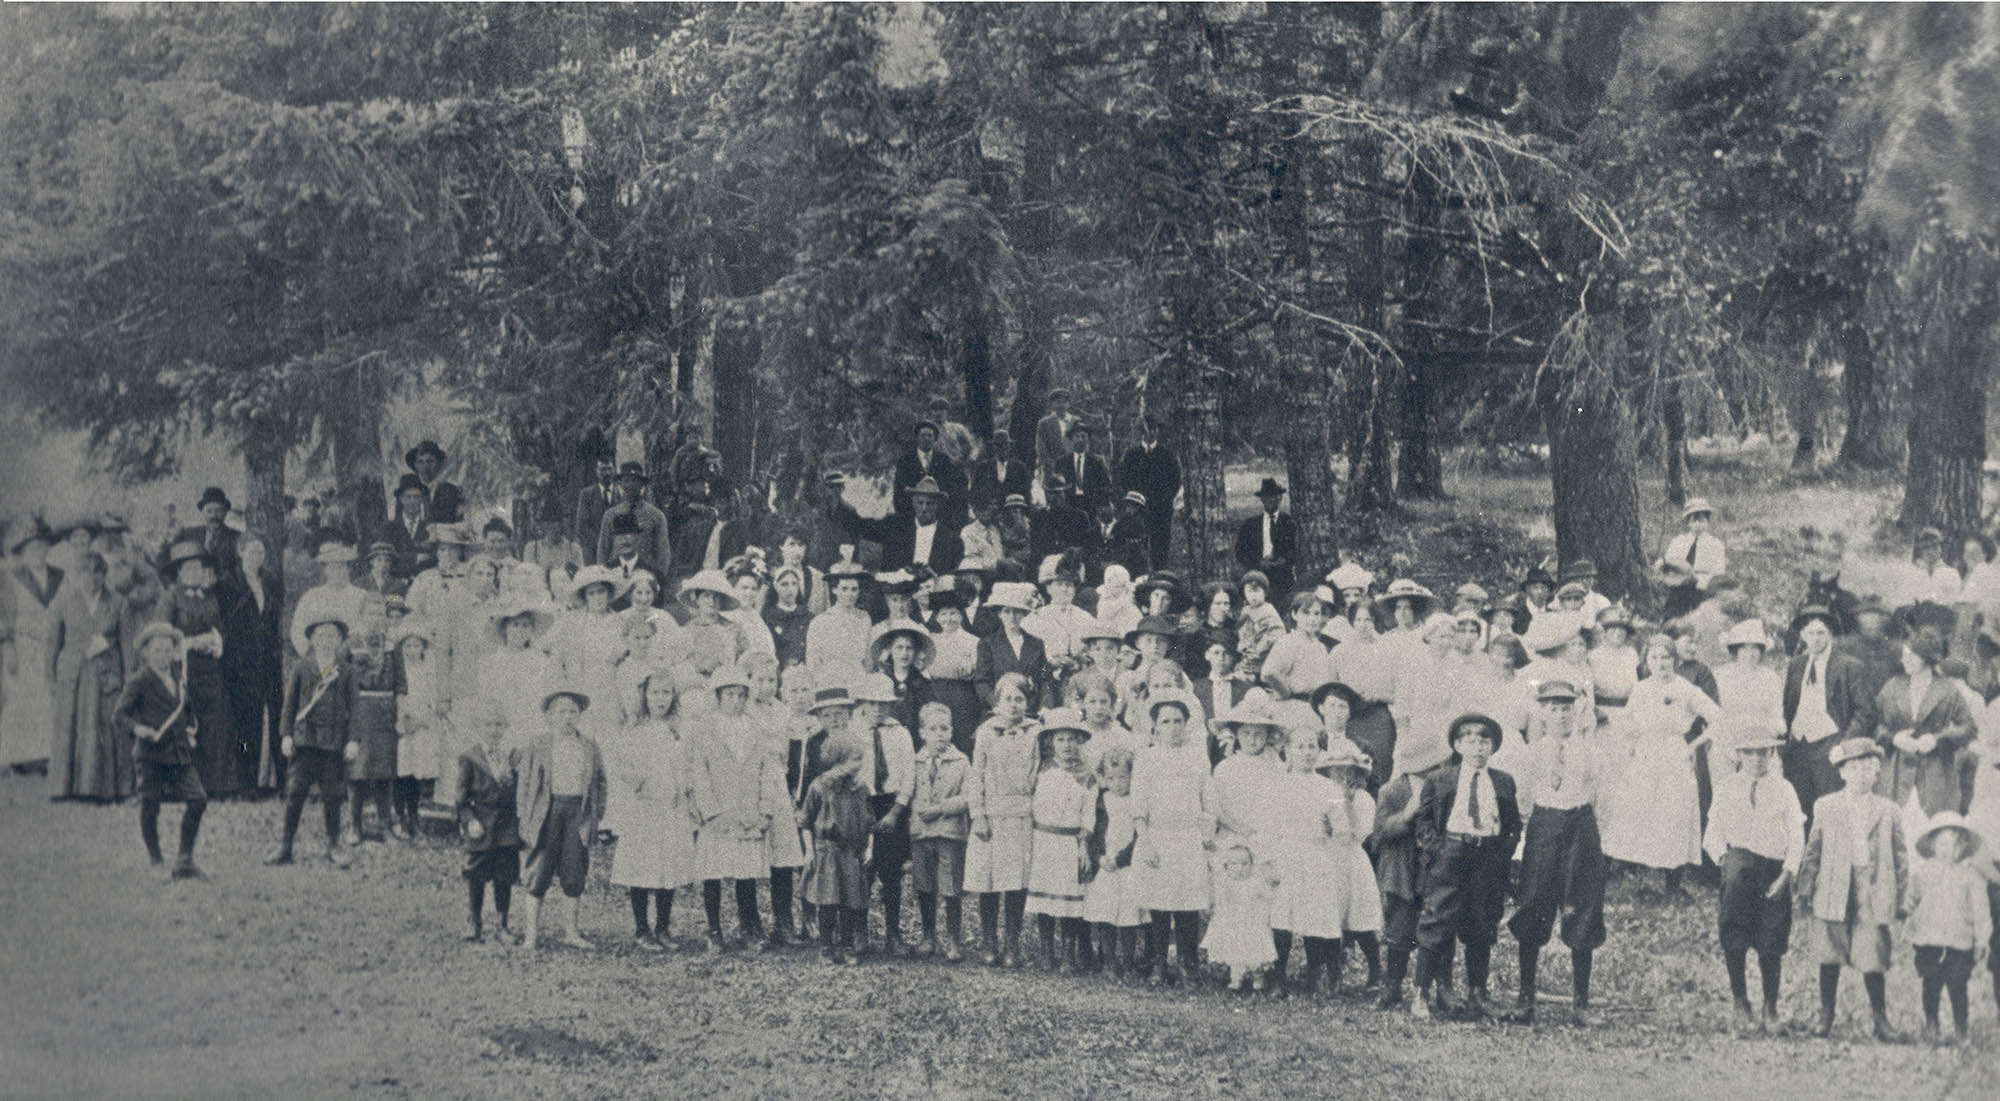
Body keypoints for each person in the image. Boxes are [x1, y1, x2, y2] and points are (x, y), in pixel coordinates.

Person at [1503, 680, 1608, 1027]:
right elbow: (1521, 802)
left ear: (1576, 712)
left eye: (1566, 708)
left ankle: (1581, 1003)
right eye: (1553, 708)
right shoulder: (1531, 753)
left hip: (1580, 826)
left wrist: (1594, 838)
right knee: (1533, 904)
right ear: (1542, 713)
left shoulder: (1591, 752)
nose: (1561, 715)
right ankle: (1525, 998)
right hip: (1544, 825)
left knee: (1583, 907)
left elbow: (1601, 799)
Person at [1795, 737, 1909, 1042]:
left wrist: (1901, 898)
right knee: (1829, 951)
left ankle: (1880, 1019)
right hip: (1834, 885)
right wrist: (1805, 888)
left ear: (1877, 773)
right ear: (1842, 772)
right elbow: (1813, 849)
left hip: (1872, 888)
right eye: (1854, 768)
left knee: (1873, 951)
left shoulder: (1889, 810)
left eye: (1869, 768)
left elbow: (1900, 858)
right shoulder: (1826, 806)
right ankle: (1826, 1013)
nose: (1862, 774)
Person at [1411, 713, 1522, 1021]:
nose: (1477, 747)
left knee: (1482, 925)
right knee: (1436, 922)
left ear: (1493, 747)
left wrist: (1501, 854)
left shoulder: (1502, 782)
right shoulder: (1440, 779)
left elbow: (1513, 826)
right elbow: (1423, 821)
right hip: (1451, 854)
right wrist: (1438, 850)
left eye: (1484, 740)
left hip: (1487, 858)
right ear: (1458, 745)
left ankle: (1477, 994)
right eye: (1470, 740)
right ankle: (1420, 993)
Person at [1599, 634, 1720, 895]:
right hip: (1645, 755)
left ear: (1675, 661)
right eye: (1654, 657)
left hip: (1674, 756)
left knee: (1673, 815)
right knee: (1633, 811)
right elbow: (1629, 722)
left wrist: (1692, 745)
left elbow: (1718, 718)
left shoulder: (1685, 689)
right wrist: (1631, 745)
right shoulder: (1641, 689)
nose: (1661, 662)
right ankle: (1611, 876)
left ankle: (1672, 885)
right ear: (1647, 661)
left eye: (1666, 657)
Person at [1701, 732, 1804, 1033]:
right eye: (1750, 753)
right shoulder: (1727, 788)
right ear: (1740, 755)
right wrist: (1725, 861)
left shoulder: (1784, 789)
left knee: (1772, 936)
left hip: (1773, 866)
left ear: (1771, 754)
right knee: (1734, 931)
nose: (1757, 759)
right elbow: (1712, 834)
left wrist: (1787, 873)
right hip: (1739, 867)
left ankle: (1770, 1008)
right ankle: (1739, 1001)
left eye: (1763, 753)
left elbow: (1797, 835)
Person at [690, 664, 786, 952]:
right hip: (719, 814)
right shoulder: (706, 731)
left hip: (748, 813)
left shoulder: (755, 729)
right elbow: (699, 775)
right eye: (729, 695)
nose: (736, 701)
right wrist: (711, 812)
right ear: (718, 696)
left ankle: (749, 927)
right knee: (714, 874)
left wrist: (765, 809)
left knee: (745, 875)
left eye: (741, 695)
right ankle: (714, 929)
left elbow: (767, 771)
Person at [608, 668, 695, 951]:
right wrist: (638, 782)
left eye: (666, 693)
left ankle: (663, 927)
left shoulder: (681, 728)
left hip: (671, 806)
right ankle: (642, 928)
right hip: (644, 807)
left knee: (667, 866)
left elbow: (687, 765)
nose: (661, 699)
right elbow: (620, 765)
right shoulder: (634, 729)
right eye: (655, 692)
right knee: (642, 866)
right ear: (645, 695)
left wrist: (683, 788)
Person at [515, 687, 608, 952]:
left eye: (572, 712)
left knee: (574, 870)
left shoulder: (588, 745)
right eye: (561, 712)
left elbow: (601, 782)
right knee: (539, 870)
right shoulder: (539, 744)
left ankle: (571, 931)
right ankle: (531, 934)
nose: (567, 717)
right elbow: (524, 782)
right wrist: (524, 816)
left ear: (579, 715)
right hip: (547, 811)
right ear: (549, 716)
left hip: (576, 812)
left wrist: (594, 815)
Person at [1132, 697, 1214, 986]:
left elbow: (1208, 802)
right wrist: (1147, 842)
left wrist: (1206, 837)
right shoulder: (1146, 758)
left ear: (1186, 725)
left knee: (1187, 905)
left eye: (1178, 721)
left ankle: (1188, 964)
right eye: (1165, 722)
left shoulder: (1197, 757)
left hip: (1189, 838)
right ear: (1155, 728)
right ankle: (1157, 963)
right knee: (1159, 904)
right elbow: (1138, 807)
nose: (1173, 727)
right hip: (1157, 837)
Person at [116, 623, 209, 878]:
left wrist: (190, 728)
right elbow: (120, 715)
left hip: (178, 752)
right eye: (157, 651)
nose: (163, 656)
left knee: (198, 799)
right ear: (146, 653)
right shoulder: (139, 681)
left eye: (168, 650)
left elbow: (187, 709)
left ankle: (184, 859)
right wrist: (138, 729)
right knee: (150, 806)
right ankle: (156, 860)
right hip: (150, 754)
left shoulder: (180, 677)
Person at [269, 613, 358, 868]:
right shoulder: (301, 667)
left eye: (332, 636)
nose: (326, 640)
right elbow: (289, 704)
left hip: (332, 743)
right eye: (321, 635)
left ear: (340, 640)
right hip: (304, 741)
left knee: (332, 795)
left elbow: (356, 708)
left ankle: (333, 845)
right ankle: (285, 847)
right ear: (312, 639)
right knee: (295, 792)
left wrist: (353, 740)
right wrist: (286, 735)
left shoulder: (346, 671)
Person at [966, 672, 1042, 967]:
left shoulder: (1036, 731)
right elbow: (976, 777)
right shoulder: (986, 731)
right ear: (997, 702)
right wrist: (978, 815)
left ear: (1027, 703)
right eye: (1008, 699)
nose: (1013, 705)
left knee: (1016, 882)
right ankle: (989, 941)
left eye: (1019, 699)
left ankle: (1012, 943)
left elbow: (1038, 773)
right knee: (989, 881)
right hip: (992, 816)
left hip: (1022, 814)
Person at [1784, 606, 1876, 826]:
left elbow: (1866, 712)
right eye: (1809, 633)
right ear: (1802, 636)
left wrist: (1843, 745)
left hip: (1830, 746)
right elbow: (1788, 706)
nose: (1815, 639)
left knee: (1831, 811)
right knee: (1799, 811)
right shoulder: (1796, 666)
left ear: (1830, 634)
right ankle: (1804, 858)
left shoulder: (1849, 666)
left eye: (1821, 633)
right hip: (1798, 747)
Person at [50, 551, 129, 801]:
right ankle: (68, 788)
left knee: (108, 726)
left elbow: (126, 645)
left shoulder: (118, 602)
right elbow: (53, 642)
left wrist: (127, 677)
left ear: (104, 575)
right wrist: (50, 677)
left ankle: (109, 789)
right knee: (71, 728)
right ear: (76, 574)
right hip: (74, 675)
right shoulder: (64, 600)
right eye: (84, 571)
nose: (91, 578)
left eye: (97, 571)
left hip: (106, 674)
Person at [1906, 812, 1990, 1046]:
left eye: (1954, 844)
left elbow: (1981, 911)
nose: (1948, 849)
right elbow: (1911, 898)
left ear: (1962, 847)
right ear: (1933, 845)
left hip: (1959, 942)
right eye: (1942, 843)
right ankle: (1931, 1024)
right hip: (1929, 940)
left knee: (1958, 985)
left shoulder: (1971, 876)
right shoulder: (1923, 872)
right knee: (1930, 984)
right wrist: (1904, 909)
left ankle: (1961, 1029)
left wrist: (1981, 940)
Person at [1874, 633, 1976, 822]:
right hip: (1895, 775)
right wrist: (1894, 738)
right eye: (1904, 655)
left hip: (1936, 774)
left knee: (1933, 827)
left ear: (1927, 658)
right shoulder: (1892, 687)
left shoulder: (1947, 690)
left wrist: (1937, 740)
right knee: (1894, 827)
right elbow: (1874, 722)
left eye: (1911, 655)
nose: (1905, 660)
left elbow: (1968, 728)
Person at [1025, 708, 1097, 972]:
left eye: (1072, 740)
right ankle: (1046, 951)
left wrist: (1083, 846)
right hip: (1044, 841)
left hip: (1069, 844)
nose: (1067, 746)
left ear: (1080, 742)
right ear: (1051, 742)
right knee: (1045, 901)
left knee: (1069, 901)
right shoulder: (1041, 771)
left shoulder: (1088, 776)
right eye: (1061, 740)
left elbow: (1088, 816)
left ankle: (1068, 952)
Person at [161, 540, 235, 798]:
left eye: (198, 568)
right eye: (188, 568)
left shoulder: (210, 597)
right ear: (179, 572)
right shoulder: (170, 597)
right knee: (184, 725)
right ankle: (180, 787)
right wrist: (191, 643)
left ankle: (215, 785)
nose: (194, 573)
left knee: (215, 725)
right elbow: (162, 637)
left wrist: (215, 642)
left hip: (211, 672)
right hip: (182, 670)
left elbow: (220, 629)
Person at [850, 672, 916, 954]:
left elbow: (909, 774)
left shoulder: (900, 733)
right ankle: (859, 932)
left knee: (891, 874)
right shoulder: (851, 732)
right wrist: (859, 810)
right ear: (863, 703)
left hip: (891, 806)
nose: (877, 709)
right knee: (861, 871)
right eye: (872, 703)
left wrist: (896, 811)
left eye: (883, 704)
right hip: (860, 805)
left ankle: (892, 934)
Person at [801, 734, 873, 965]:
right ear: (838, 760)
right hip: (827, 852)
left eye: (860, 759)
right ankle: (826, 947)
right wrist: (809, 852)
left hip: (851, 852)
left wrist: (868, 846)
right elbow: (805, 821)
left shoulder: (860, 788)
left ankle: (847, 946)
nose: (859, 764)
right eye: (855, 759)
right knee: (828, 901)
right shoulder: (819, 787)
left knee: (851, 901)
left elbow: (869, 822)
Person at [908, 700, 971, 961]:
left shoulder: (961, 761)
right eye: (933, 729)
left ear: (952, 731)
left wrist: (941, 808)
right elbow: (907, 793)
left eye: (944, 729)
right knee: (924, 885)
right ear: (922, 732)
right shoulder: (914, 761)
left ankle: (953, 939)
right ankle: (928, 936)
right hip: (922, 834)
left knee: (951, 886)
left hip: (949, 833)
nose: (939, 734)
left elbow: (968, 797)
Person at [455, 698, 522, 943]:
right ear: (479, 727)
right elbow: (460, 798)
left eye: (498, 725)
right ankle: (475, 922)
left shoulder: (511, 757)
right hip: (480, 824)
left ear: (505, 727)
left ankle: (503, 925)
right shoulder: (470, 757)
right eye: (489, 725)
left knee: (504, 874)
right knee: (476, 873)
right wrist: (469, 820)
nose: (494, 730)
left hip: (505, 825)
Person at [221, 534, 283, 794]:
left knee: (270, 718)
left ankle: (270, 780)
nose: (256, 557)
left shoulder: (269, 581)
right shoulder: (228, 583)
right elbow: (226, 624)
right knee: (245, 723)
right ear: (240, 553)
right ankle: (245, 781)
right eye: (251, 552)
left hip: (266, 660)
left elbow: (272, 620)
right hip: (239, 662)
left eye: (260, 552)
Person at [1, 519, 63, 770]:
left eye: (41, 547)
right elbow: (2, 615)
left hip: (52, 647)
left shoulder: (60, 576)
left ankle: (48, 755)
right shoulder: (10, 579)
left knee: (49, 699)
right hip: (23, 647)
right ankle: (20, 758)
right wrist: (7, 647)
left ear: (48, 548)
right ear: (24, 552)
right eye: (31, 548)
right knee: (23, 699)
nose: (37, 552)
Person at [1083, 744, 1143, 981]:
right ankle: (1108, 960)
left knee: (1128, 917)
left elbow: (1139, 837)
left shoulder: (1137, 801)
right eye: (1111, 778)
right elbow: (1094, 834)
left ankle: (1128, 962)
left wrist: (1120, 859)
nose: (1117, 783)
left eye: (1123, 777)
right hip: (1105, 867)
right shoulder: (1101, 802)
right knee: (1106, 915)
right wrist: (1099, 857)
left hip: (1127, 867)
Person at [830, 475, 965, 576]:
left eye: (929, 503)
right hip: (895, 594)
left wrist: (933, 575)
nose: (924, 508)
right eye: (920, 502)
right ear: (913, 503)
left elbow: (952, 577)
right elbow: (862, 526)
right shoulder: (896, 526)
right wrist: (838, 501)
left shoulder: (951, 539)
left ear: (937, 505)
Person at [1203, 844, 1277, 992]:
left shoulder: (1255, 882)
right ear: (1226, 866)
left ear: (1252, 865)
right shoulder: (1225, 883)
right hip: (1234, 925)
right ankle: (1236, 978)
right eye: (1234, 864)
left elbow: (1270, 897)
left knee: (1255, 953)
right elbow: (1220, 904)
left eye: (1245, 864)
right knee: (1235, 951)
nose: (1240, 868)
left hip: (1253, 924)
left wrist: (1271, 886)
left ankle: (1258, 978)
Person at [392, 620, 441, 839]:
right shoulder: (398, 670)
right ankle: (399, 816)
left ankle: (414, 816)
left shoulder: (428, 671)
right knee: (402, 772)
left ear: (423, 647)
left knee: (416, 772)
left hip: (422, 726)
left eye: (416, 645)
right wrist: (403, 721)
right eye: (408, 646)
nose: (412, 650)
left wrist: (423, 720)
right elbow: (397, 699)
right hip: (404, 726)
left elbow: (433, 700)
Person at [1117, 414, 1181, 570]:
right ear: (1141, 432)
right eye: (1147, 430)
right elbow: (1125, 480)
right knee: (1137, 544)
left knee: (1160, 546)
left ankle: (1160, 572)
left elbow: (1175, 481)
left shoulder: (1167, 455)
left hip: (1161, 509)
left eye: (1154, 429)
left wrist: (1165, 500)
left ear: (1158, 431)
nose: (1151, 433)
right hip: (1138, 509)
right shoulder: (1132, 455)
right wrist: (1134, 501)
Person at [973, 583, 1048, 712]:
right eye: (1007, 611)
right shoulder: (988, 643)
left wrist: (1043, 706)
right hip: (1000, 709)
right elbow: (982, 681)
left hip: (1030, 709)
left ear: (1024, 614)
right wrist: (996, 704)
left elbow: (1044, 680)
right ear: (1000, 614)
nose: (1012, 617)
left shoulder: (1036, 643)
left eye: (1017, 612)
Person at [596, 462, 671, 577]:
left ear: (642, 484)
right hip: (615, 575)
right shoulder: (610, 515)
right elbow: (603, 551)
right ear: (620, 483)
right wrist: (603, 576)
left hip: (645, 577)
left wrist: (658, 579)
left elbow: (663, 554)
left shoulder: (656, 516)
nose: (631, 485)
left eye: (635, 480)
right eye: (627, 480)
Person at [893, 421, 968, 528]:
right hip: (912, 518)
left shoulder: (943, 460)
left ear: (935, 439)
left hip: (939, 519)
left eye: (930, 435)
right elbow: (898, 492)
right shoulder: (905, 461)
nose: (926, 438)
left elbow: (951, 488)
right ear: (917, 438)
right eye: (923, 435)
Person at [806, 562, 873, 681]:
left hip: (858, 679)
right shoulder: (821, 621)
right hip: (830, 680)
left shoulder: (864, 619)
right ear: (834, 590)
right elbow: (813, 661)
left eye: (854, 589)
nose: (849, 594)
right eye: (844, 589)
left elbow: (867, 657)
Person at [1232, 478, 1297, 600]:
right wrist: (1258, 563)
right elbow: (1240, 552)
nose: (1271, 500)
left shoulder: (1289, 522)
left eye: (1275, 496)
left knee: (1282, 595)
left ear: (1280, 498)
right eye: (1267, 497)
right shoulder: (1250, 524)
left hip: (1282, 573)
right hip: (1257, 571)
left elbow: (1295, 548)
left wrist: (1283, 560)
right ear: (1262, 499)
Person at [1659, 497, 1727, 610]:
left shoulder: (1716, 545)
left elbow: (1719, 573)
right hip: (1679, 586)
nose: (1697, 524)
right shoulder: (1678, 541)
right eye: (1693, 521)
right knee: (1674, 609)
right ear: (1688, 523)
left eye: (1701, 520)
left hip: (1702, 588)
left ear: (1707, 522)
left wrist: (1700, 580)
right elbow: (1668, 562)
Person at [1233, 571, 1285, 685]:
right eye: (1249, 591)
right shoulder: (1246, 610)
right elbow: (1238, 629)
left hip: (1262, 660)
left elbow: (1274, 635)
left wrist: (1254, 654)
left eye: (1257, 591)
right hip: (1246, 658)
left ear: (1265, 593)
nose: (1253, 596)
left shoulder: (1268, 611)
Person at [401, 439, 463, 525]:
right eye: (420, 461)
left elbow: (459, 525)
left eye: (430, 461)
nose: (425, 466)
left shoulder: (451, 491)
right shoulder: (408, 492)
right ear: (415, 465)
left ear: (438, 463)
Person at [573, 451, 619, 566]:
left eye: (609, 469)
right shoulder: (587, 494)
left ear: (614, 470)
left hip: (617, 552)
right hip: (593, 551)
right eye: (602, 469)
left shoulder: (622, 494)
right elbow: (581, 527)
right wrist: (601, 543)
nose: (607, 473)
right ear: (596, 472)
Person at [971, 429, 1032, 513]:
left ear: (1010, 446)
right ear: (993, 447)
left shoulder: (1020, 468)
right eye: (998, 445)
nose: (1002, 449)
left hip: (1013, 513)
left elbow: (1027, 494)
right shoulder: (983, 468)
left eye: (1005, 445)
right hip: (991, 515)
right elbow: (975, 493)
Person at [1034, 390, 1079, 485]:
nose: (1061, 405)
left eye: (1064, 402)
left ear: (1069, 404)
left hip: (1074, 467)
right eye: (1058, 402)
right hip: (1052, 469)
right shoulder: (1044, 423)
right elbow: (1041, 448)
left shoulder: (1076, 421)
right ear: (1052, 405)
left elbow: (1083, 443)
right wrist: (1051, 465)